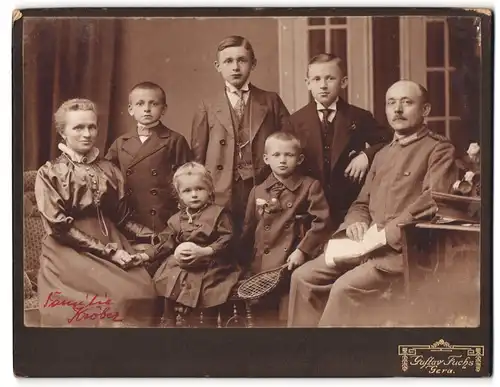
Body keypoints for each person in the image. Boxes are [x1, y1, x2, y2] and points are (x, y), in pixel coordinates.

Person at [288, 80, 459, 327]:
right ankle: (300, 351)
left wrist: (385, 235)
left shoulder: (438, 150)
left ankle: (325, 358)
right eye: (391, 103)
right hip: (365, 246)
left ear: (425, 110)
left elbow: (433, 201)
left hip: (403, 254)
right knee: (303, 277)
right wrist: (355, 223)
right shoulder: (382, 154)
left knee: (344, 288)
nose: (397, 109)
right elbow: (361, 203)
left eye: (407, 102)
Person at [35, 98, 157, 327]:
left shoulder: (109, 169)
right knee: (111, 302)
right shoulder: (50, 172)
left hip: (112, 241)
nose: (87, 133)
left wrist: (157, 237)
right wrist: (110, 253)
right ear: (63, 132)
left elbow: (122, 218)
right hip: (67, 249)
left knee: (143, 293)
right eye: (78, 127)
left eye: (91, 126)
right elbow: (59, 227)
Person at [191, 36, 290, 235]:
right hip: (220, 185)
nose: (235, 67)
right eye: (228, 61)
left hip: (260, 182)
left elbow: (288, 145)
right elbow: (198, 155)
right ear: (218, 66)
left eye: (242, 60)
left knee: (258, 235)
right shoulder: (207, 105)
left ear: (253, 64)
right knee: (226, 235)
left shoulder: (270, 101)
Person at [284, 53, 392, 229]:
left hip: (349, 204)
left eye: (330, 78)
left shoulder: (359, 116)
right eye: (317, 79)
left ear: (343, 82)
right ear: (308, 84)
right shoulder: (294, 121)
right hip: (310, 206)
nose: (323, 85)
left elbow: (388, 142)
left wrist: (366, 155)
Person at [136, 162, 242, 327]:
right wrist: (145, 255)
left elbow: (227, 239)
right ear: (179, 194)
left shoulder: (219, 214)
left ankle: (206, 322)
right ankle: (169, 320)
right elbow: (167, 242)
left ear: (209, 190)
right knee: (168, 273)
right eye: (187, 191)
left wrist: (206, 251)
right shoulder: (177, 218)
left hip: (212, 262)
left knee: (208, 288)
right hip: (184, 263)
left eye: (199, 189)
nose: (194, 195)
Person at [241, 132, 331, 325]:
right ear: (266, 159)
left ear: (299, 159)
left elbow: (321, 222)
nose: (282, 160)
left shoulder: (309, 186)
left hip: (292, 259)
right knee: (263, 315)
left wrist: (302, 250)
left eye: (289, 155)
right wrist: (247, 264)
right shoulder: (258, 190)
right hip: (262, 264)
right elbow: (249, 229)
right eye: (276, 155)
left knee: (288, 313)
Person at [105, 82, 192, 235]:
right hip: (130, 216)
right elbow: (106, 176)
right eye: (140, 104)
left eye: (153, 104)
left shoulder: (175, 140)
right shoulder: (120, 143)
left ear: (163, 109)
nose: (146, 109)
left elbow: (188, 180)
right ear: (130, 110)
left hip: (162, 215)